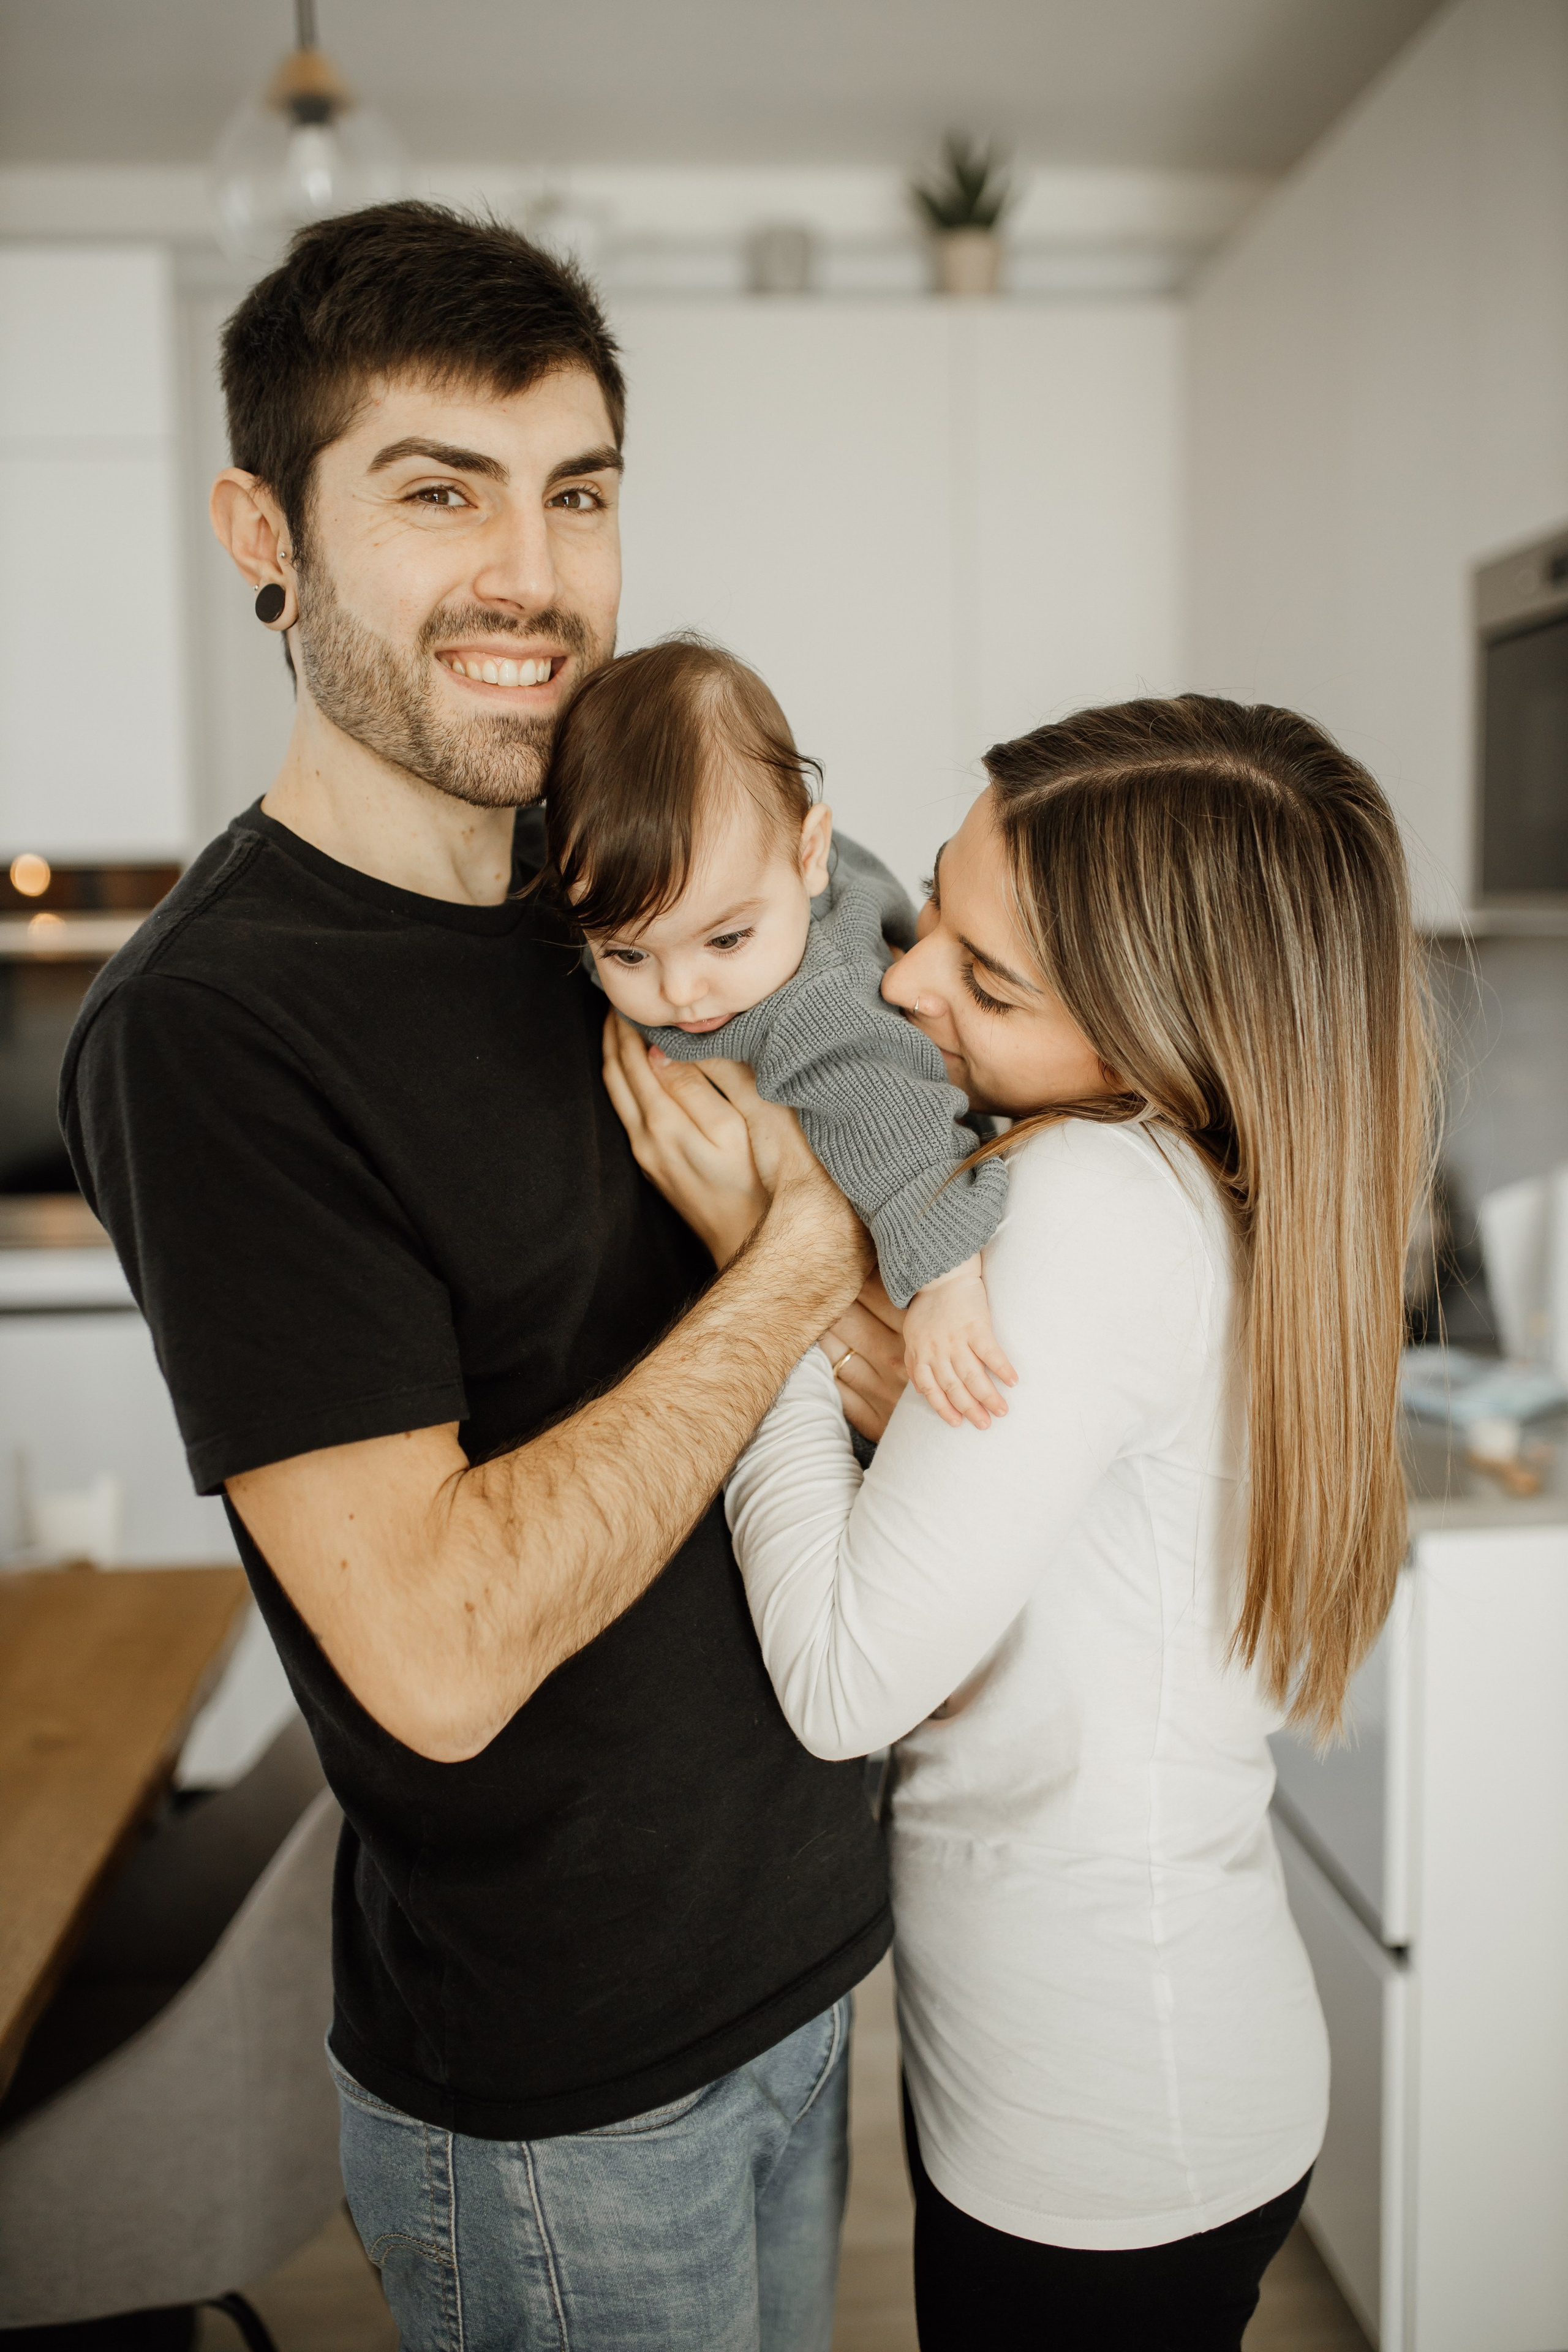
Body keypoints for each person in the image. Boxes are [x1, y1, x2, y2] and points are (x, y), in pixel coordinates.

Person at [59, 202, 905, 2352]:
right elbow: (434, 1654)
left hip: (812, 1978)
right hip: (566, 2113)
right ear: (269, 530)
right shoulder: (214, 1029)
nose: (531, 574)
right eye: (439, 493)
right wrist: (794, 1269)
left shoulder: (628, 885)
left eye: (578, 493)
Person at [616, 695, 1434, 2351]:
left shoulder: (1085, 1205)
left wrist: (755, 1281)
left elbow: (844, 1683)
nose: (907, 981)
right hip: (1146, 2058)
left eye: (989, 983)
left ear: (1160, 1032)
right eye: (932, 913)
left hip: (1102, 2112)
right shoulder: (1186, 1179)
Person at [545, 634, 1016, 1431]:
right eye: (626, 953)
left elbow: (892, 1115)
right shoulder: (743, 878)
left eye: (725, 941)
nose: (681, 990)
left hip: (906, 1258)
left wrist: (945, 1284)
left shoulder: (820, 1003)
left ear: (810, 855)